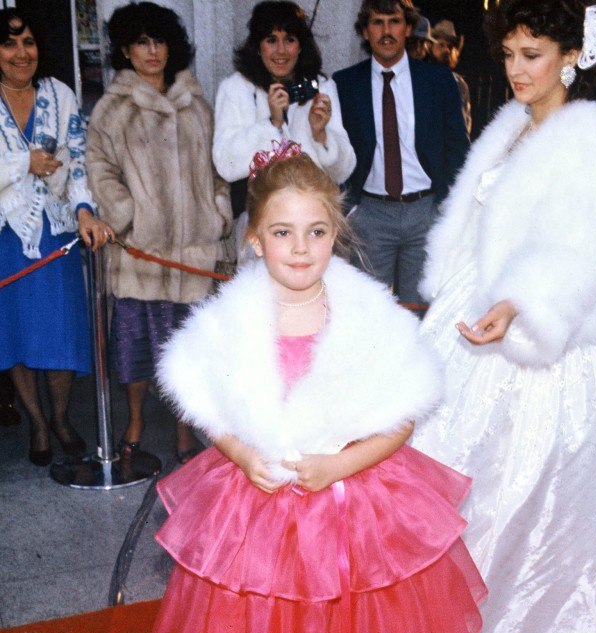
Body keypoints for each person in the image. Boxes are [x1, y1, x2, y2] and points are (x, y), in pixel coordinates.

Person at [107, 146, 506, 633]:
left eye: (316, 232)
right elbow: (210, 405)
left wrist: (338, 466)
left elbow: (403, 415)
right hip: (254, 510)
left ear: (337, 233)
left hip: (352, 504)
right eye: (283, 233)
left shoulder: (369, 317)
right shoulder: (227, 322)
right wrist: (239, 454)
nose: (300, 249)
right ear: (254, 239)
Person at [412, 0, 596, 633]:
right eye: (506, 55)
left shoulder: (591, 136)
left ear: (569, 55)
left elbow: (580, 251)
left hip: (538, 334)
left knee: (515, 488)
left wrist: (515, 306)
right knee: (443, 468)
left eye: (530, 55)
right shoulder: (507, 127)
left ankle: (503, 631)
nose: (514, 70)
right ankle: (434, 629)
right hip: (469, 311)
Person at [87, 2, 232, 465]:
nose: (153, 51)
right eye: (142, 43)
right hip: (141, 256)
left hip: (192, 256)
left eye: (160, 40)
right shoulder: (112, 109)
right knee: (134, 348)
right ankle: (134, 421)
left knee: (188, 349)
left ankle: (184, 429)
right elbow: (99, 168)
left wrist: (219, 213)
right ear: (126, 51)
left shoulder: (198, 105)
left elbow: (220, 171)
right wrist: (127, 215)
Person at [0, 11, 112, 466]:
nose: (21, 53)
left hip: (58, 232)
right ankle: (38, 424)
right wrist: (23, 163)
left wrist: (85, 208)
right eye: (9, 44)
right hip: (7, 236)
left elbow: (80, 161)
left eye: (28, 41)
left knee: (60, 333)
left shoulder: (60, 95)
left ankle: (62, 417)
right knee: (19, 335)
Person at [333, 0, 469, 310]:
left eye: (393, 21)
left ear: (408, 28)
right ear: (365, 31)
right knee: (367, 313)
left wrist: (444, 204)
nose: (386, 31)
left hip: (424, 212)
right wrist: (350, 208)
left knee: (420, 314)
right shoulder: (344, 84)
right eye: (377, 23)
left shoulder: (437, 82)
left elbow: (457, 147)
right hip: (370, 214)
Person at [213, 0, 355, 256]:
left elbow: (343, 170)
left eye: (289, 39)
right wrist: (271, 124)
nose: (281, 51)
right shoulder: (236, 88)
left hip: (313, 222)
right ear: (257, 46)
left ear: (301, 46)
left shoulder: (322, 87)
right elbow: (225, 164)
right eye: (271, 40)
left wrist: (321, 134)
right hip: (261, 226)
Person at [431, 19, 472, 135]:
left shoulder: (459, 84)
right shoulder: (419, 77)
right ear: (429, 46)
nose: (446, 50)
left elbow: (464, 127)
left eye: (449, 46)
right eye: (441, 45)